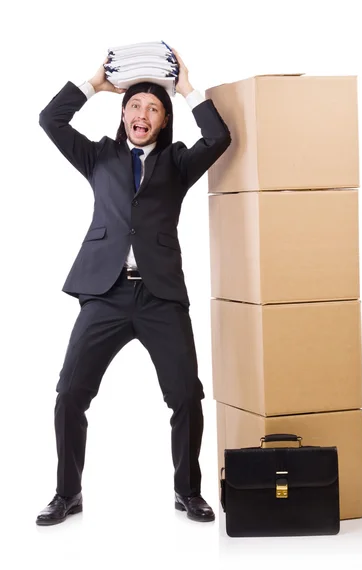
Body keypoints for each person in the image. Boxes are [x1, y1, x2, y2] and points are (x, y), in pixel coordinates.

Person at [36, 49, 231, 526]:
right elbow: (50, 119)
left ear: (163, 122)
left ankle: (188, 491)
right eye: (136, 107)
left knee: (186, 395)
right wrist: (94, 84)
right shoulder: (98, 155)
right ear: (123, 113)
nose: (142, 115)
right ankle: (67, 493)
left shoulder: (179, 164)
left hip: (160, 295)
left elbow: (219, 136)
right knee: (69, 394)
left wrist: (185, 88)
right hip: (105, 292)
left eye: (153, 109)